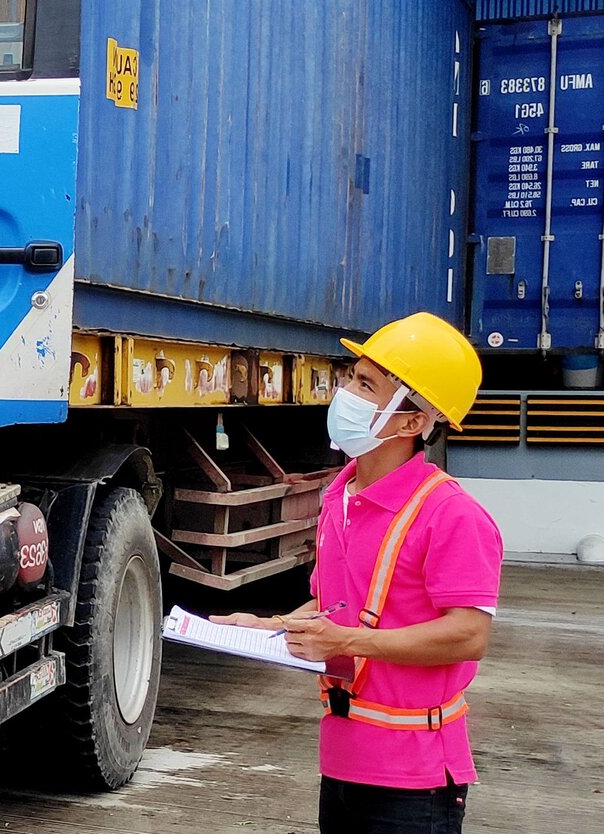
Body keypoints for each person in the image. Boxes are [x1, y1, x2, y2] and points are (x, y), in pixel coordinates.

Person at [212, 312, 503, 834]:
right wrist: (271, 626)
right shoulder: (339, 498)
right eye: (352, 376)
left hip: (415, 780)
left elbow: (469, 634)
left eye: (366, 385)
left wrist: (346, 640)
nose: (345, 392)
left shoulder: (452, 515)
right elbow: (336, 603)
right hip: (343, 761)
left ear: (412, 421)